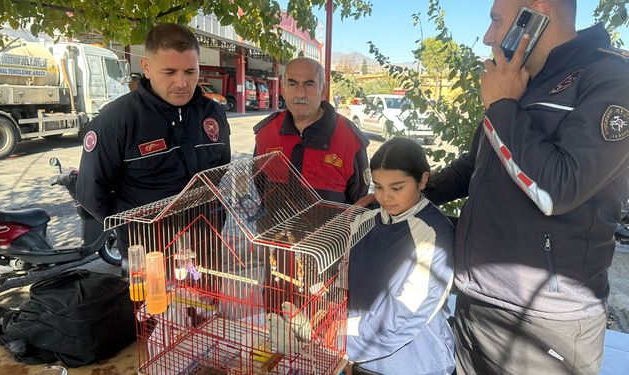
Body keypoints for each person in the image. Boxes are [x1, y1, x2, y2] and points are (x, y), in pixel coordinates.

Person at [424, 1, 629, 374]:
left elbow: (558, 189)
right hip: (476, 301)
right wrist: (417, 191)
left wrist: (503, 104)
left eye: (496, 21)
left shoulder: (611, 79)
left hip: (544, 322)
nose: (487, 37)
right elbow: (479, 162)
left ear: (537, 11)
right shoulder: (523, 81)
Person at [77, 23, 231, 275]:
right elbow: (91, 193)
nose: (182, 83)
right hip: (150, 253)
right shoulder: (118, 120)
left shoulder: (212, 113)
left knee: (208, 311)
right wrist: (132, 227)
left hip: (205, 244)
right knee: (155, 315)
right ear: (146, 68)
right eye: (169, 72)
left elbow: (220, 170)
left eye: (190, 71)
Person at [253, 57, 370, 313]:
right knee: (276, 313)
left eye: (309, 84)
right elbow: (259, 184)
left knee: (320, 321)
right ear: (283, 87)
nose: (300, 93)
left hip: (325, 256)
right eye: (293, 84)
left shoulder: (348, 137)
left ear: (323, 89)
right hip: (279, 253)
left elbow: (359, 198)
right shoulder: (266, 133)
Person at [345, 137, 455, 375]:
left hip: (413, 362)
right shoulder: (365, 219)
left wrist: (337, 336)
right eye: (378, 187)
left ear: (423, 179)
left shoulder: (433, 235)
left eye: (397, 188)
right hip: (360, 355)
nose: (386, 198)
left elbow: (402, 318)